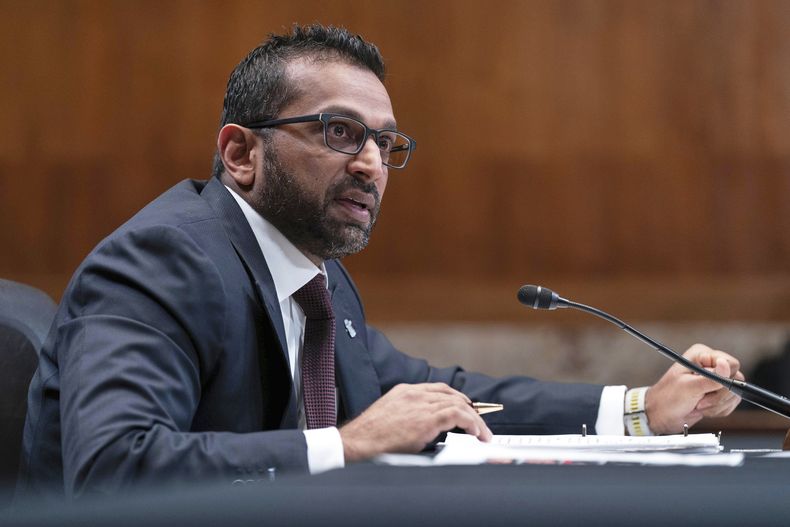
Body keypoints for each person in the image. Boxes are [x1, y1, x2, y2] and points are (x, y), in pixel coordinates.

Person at [18, 24, 743, 499]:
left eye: (385, 143)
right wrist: (350, 442)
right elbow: (113, 466)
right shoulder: (163, 260)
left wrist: (641, 409)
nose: (370, 163)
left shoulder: (314, 275)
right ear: (241, 152)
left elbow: (434, 392)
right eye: (340, 132)